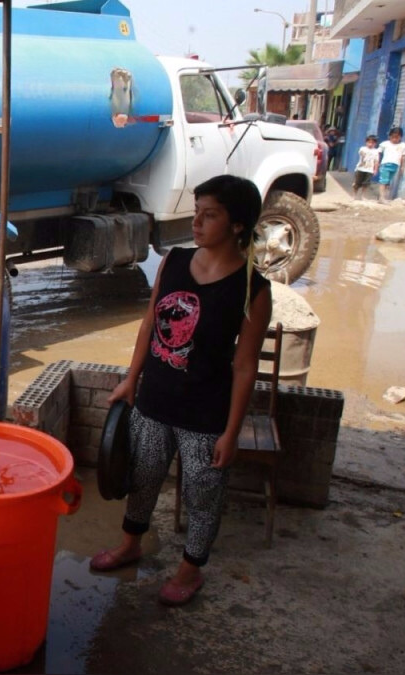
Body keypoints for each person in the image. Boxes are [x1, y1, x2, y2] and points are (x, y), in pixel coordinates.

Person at [89, 174, 272, 607]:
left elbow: (245, 367)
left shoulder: (253, 290)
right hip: (154, 401)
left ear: (238, 226)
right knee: (144, 478)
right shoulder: (172, 262)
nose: (197, 223)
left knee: (203, 494)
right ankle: (130, 544)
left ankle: (191, 570)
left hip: (207, 414)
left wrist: (232, 431)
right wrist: (131, 380)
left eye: (210, 216)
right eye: (197, 212)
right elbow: (150, 324)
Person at [377, 127, 405, 203]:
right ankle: (381, 197)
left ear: (400, 137)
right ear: (390, 136)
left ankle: (384, 197)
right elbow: (378, 153)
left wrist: (402, 167)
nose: (394, 139)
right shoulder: (385, 144)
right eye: (393, 137)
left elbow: (403, 157)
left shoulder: (403, 146)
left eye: (397, 137)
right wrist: (377, 163)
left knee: (387, 182)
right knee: (383, 181)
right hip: (385, 164)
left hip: (395, 166)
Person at [353, 135, 381, 200]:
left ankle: (363, 196)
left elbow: (376, 161)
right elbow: (361, 154)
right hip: (360, 168)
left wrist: (375, 170)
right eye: (369, 142)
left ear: (375, 143)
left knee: (366, 184)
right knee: (357, 183)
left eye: (372, 143)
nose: (370, 144)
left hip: (369, 170)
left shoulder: (376, 151)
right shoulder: (362, 149)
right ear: (366, 142)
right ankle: (354, 195)